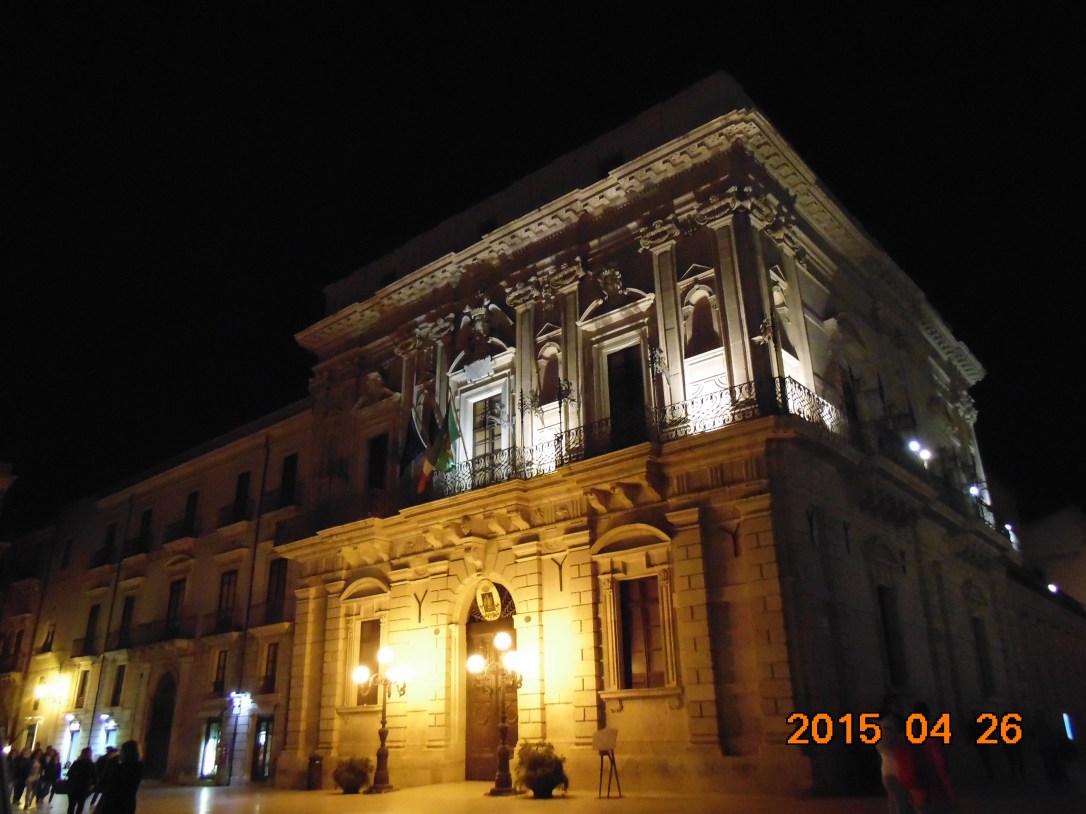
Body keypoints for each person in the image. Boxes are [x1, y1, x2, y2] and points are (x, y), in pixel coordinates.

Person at [875, 694, 912, 814]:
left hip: (890, 770)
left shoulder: (886, 722)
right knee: (901, 807)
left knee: (895, 806)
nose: (901, 707)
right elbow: (883, 745)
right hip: (895, 770)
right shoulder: (890, 723)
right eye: (897, 704)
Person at [93, 741, 141, 814]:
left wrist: (111, 762)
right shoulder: (138, 767)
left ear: (125, 753)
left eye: (121, 751)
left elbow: (106, 785)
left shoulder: (120, 769)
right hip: (128, 805)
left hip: (112, 805)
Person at [64, 748, 95, 814]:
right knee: (80, 806)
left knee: (71, 806)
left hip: (74, 787)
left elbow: (70, 774)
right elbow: (95, 777)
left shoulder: (76, 763)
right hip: (84, 788)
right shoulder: (91, 764)